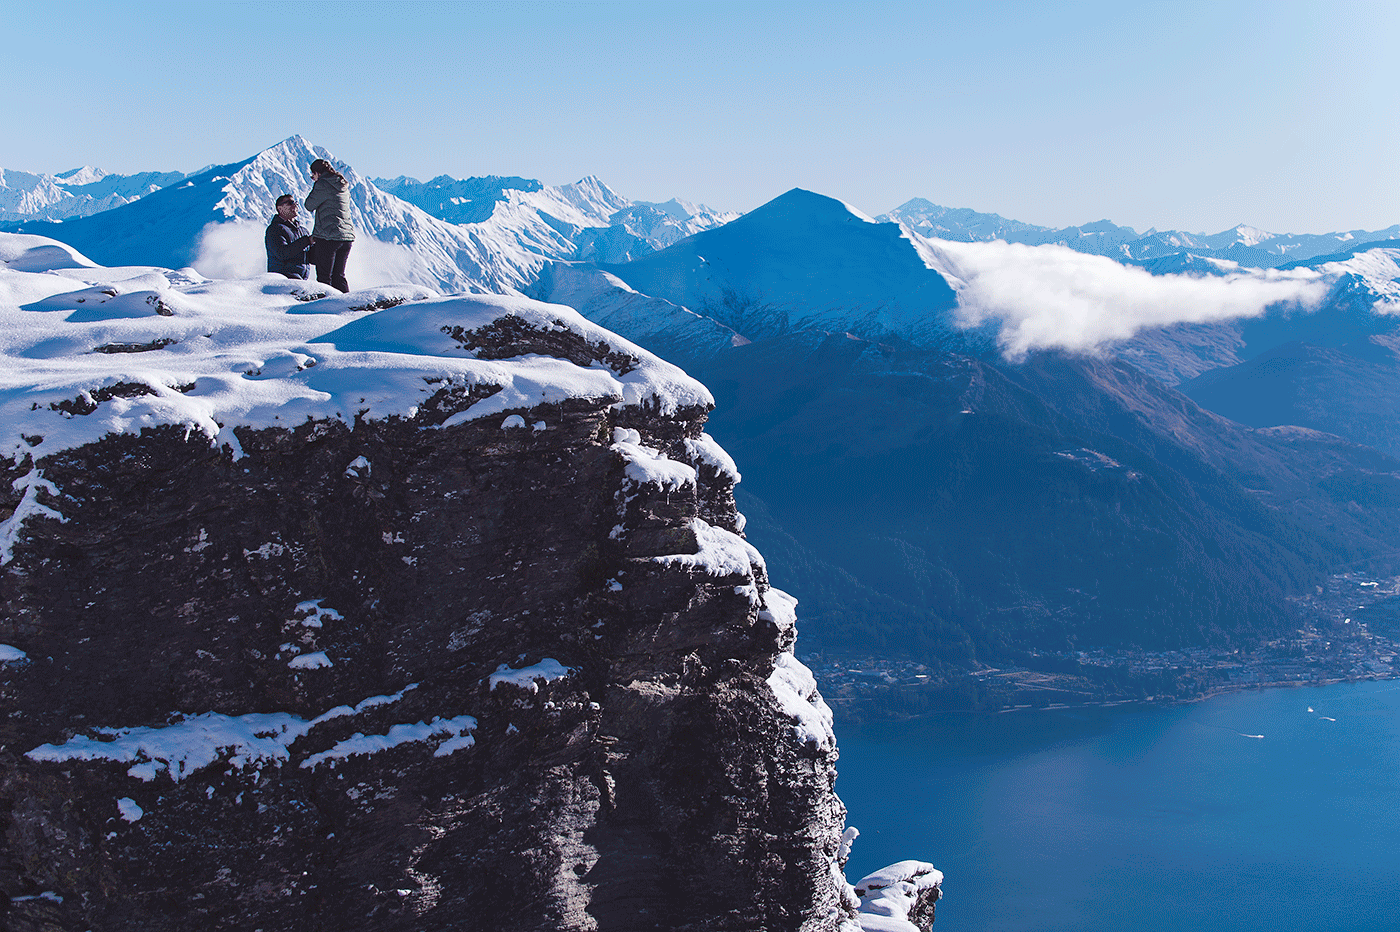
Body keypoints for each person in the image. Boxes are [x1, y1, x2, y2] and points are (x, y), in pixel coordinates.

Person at [304, 158, 356, 293]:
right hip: (346, 237)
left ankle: (323, 309)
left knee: (324, 277)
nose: (313, 179)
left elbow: (309, 205)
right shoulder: (342, 184)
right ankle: (347, 306)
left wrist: (316, 186)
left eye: (312, 176)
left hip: (328, 236)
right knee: (339, 276)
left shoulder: (322, 184)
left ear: (317, 173)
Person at [264, 194, 313, 279]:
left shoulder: (303, 231)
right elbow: (282, 253)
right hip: (283, 279)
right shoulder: (275, 229)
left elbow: (311, 257)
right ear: (279, 208)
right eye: (290, 203)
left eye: (296, 203)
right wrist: (307, 241)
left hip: (301, 279)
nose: (295, 205)